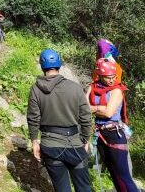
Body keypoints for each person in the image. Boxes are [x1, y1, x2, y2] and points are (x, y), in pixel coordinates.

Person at [27, 49, 92, 192]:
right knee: (84, 188)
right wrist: (86, 140)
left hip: (51, 146)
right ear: (59, 64)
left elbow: (33, 118)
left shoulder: (36, 90)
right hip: (75, 145)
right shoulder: (75, 88)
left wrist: (34, 141)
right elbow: (86, 117)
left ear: (42, 66)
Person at [87, 58, 139, 192]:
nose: (112, 80)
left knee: (123, 175)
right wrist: (100, 108)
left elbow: (109, 112)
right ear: (99, 75)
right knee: (113, 173)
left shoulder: (117, 90)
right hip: (100, 134)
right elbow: (82, 107)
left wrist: (93, 108)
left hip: (115, 134)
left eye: (113, 77)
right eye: (108, 77)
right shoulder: (92, 87)